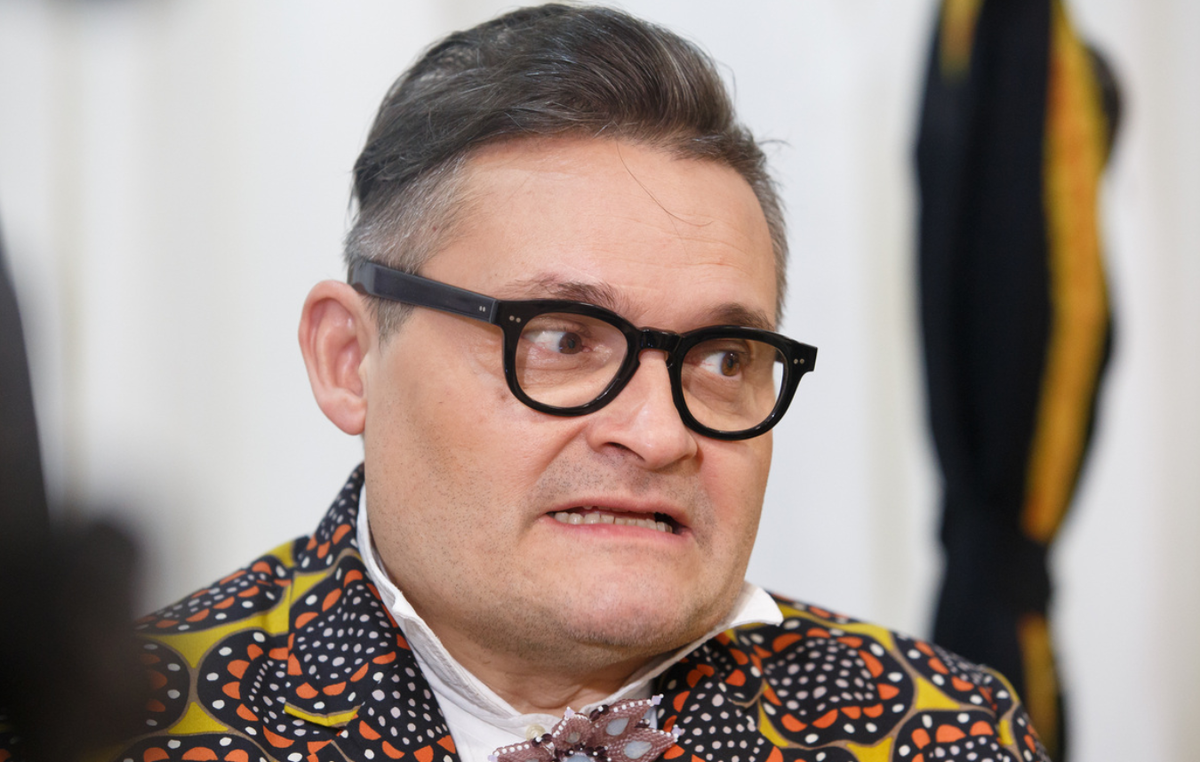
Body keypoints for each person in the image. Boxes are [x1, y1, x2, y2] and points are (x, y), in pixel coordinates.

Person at [3, 5, 1049, 762]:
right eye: (561, 339)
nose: (658, 434)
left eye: (722, 359)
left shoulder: (942, 730)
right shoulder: (111, 732)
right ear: (348, 359)